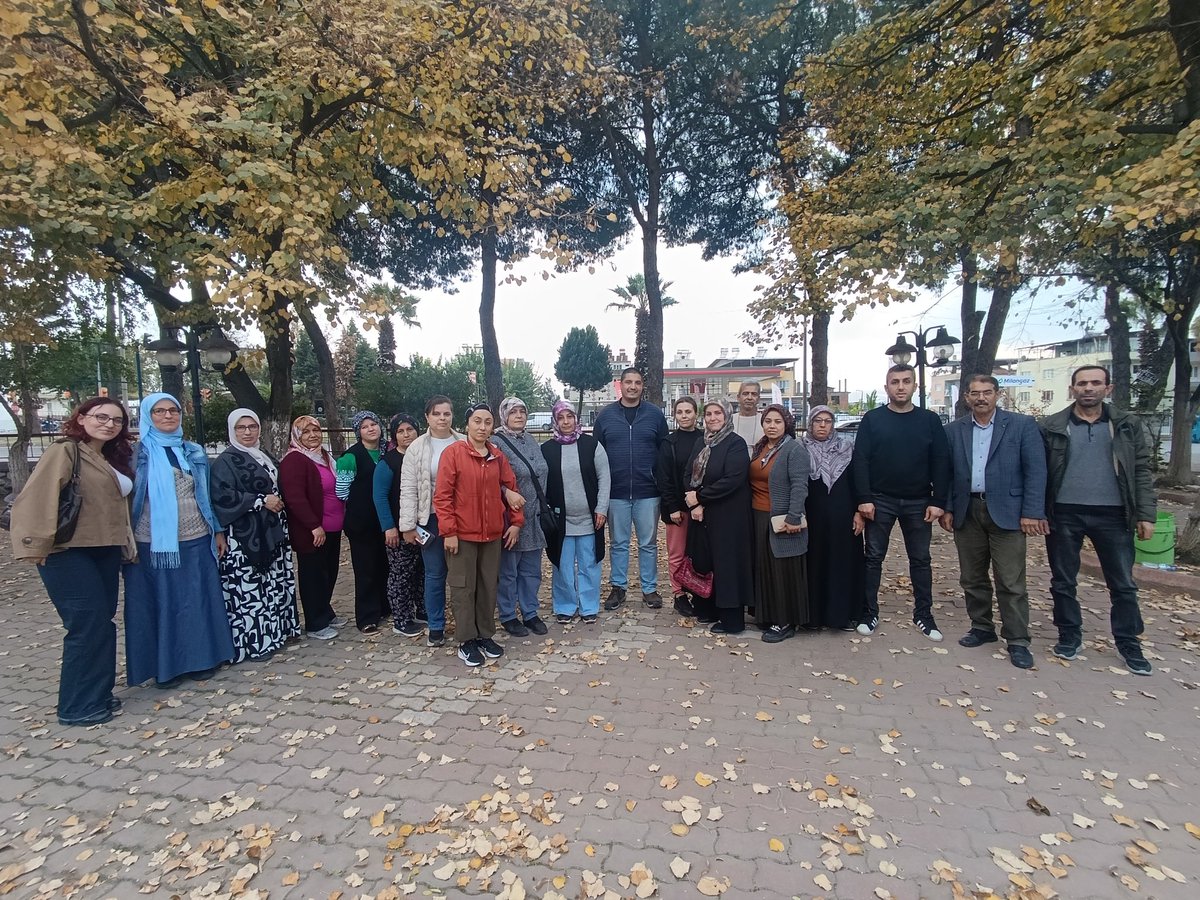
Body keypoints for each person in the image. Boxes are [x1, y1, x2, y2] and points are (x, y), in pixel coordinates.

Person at [10, 397, 136, 726]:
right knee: (86, 625)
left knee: (102, 623)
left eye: (117, 420)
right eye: (101, 417)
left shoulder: (109, 456)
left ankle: (98, 694)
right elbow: (38, 496)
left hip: (105, 548)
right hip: (67, 552)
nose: (109, 424)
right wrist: (34, 545)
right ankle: (77, 706)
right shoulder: (64, 451)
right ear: (81, 418)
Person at [1041, 365, 1156, 675]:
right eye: (1081, 383)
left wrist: (1146, 514)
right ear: (1072, 389)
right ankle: (1069, 635)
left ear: (1109, 388)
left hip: (1114, 514)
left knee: (1122, 584)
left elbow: (1142, 471)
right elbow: (1040, 472)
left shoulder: (1126, 425)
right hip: (1064, 512)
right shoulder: (1053, 426)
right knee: (1063, 580)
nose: (1088, 388)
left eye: (1095, 383)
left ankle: (1129, 643)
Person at [124, 393, 235, 688]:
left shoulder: (192, 451)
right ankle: (166, 668)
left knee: (197, 600)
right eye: (160, 411)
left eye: (173, 410)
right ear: (149, 416)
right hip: (152, 541)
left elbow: (206, 495)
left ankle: (202, 660)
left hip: (196, 536)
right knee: (163, 602)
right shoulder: (136, 454)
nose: (168, 416)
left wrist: (218, 529)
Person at [941, 376, 1047, 670]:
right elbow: (947, 473)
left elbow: (1036, 471)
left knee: (1011, 579)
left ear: (997, 395)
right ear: (966, 397)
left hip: (1009, 512)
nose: (981, 398)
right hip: (968, 509)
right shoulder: (954, 430)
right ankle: (982, 627)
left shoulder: (1021, 426)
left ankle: (1017, 639)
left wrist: (1032, 512)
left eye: (987, 392)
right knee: (972, 576)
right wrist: (948, 507)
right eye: (975, 393)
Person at [851, 365, 951, 640]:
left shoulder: (929, 421)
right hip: (880, 500)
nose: (901, 386)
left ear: (915, 386)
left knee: (920, 559)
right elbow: (861, 460)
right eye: (894, 382)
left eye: (906, 381)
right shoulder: (873, 420)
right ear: (887, 387)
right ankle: (869, 613)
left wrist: (938, 500)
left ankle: (924, 615)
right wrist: (864, 499)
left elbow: (941, 461)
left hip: (919, 501)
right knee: (873, 558)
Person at [432, 403, 524, 667]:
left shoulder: (496, 455)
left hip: (492, 535)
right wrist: (448, 531)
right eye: (477, 421)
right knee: (463, 588)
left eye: (487, 422)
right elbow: (443, 496)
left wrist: (516, 522)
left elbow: (511, 488)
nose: (482, 427)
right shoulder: (454, 454)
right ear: (467, 425)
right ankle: (466, 640)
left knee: (487, 587)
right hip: (462, 536)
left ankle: (485, 634)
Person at [210, 408, 299, 662]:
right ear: (233, 430)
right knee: (251, 591)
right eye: (241, 428)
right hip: (244, 537)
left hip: (271, 530)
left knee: (272, 584)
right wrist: (261, 501)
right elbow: (222, 496)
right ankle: (255, 642)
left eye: (252, 426)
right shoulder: (226, 461)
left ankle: (277, 633)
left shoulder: (262, 455)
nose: (247, 432)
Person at [593, 367, 668, 610]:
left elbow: (664, 452)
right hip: (616, 493)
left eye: (637, 382)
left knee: (648, 543)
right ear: (620, 385)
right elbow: (597, 455)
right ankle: (618, 587)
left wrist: (659, 481)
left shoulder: (655, 415)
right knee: (618, 543)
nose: (633, 386)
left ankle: (650, 589)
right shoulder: (605, 416)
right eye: (628, 382)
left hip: (648, 492)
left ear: (642, 386)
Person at [398, 395, 467, 648]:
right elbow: (408, 488)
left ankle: (465, 624)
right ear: (427, 417)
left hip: (462, 519)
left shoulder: (464, 442)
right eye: (436, 414)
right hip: (431, 519)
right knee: (435, 574)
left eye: (446, 414)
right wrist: (407, 525)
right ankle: (436, 626)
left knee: (462, 576)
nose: (442, 418)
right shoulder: (417, 447)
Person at [684, 398, 753, 634]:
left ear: (727, 416)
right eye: (709, 413)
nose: (713, 418)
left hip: (729, 515)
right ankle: (708, 608)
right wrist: (694, 504)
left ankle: (732, 619)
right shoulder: (701, 443)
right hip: (702, 516)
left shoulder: (735, 443)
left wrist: (700, 498)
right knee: (706, 561)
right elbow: (688, 474)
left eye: (718, 413)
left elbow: (732, 479)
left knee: (727, 565)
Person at [542, 400, 610, 624]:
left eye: (569, 417)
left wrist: (601, 508)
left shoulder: (592, 445)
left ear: (576, 418)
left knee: (589, 565)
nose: (566, 422)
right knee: (562, 565)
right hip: (561, 521)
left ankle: (589, 606)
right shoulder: (548, 449)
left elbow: (604, 478)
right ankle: (565, 606)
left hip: (590, 519)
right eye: (560, 418)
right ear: (555, 421)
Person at [279, 415, 346, 640]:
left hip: (333, 527)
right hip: (313, 531)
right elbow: (295, 498)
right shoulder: (294, 460)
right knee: (313, 576)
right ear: (297, 435)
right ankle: (315, 623)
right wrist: (313, 526)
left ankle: (325, 611)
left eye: (315, 430)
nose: (312, 435)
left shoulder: (323, 456)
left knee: (329, 572)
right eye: (306, 432)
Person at [749, 405, 811, 642]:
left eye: (777, 421)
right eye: (767, 421)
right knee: (764, 568)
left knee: (783, 570)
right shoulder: (761, 447)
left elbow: (799, 485)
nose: (772, 425)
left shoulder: (794, 450)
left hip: (782, 519)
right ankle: (766, 615)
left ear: (786, 424)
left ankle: (785, 621)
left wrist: (793, 517)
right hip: (758, 516)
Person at [802, 406, 865, 631]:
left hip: (843, 518)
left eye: (827, 421)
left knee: (842, 565)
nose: (822, 425)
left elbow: (858, 482)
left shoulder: (847, 448)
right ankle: (813, 617)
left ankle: (842, 616)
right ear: (810, 423)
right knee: (814, 565)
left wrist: (859, 512)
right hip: (812, 518)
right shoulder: (801, 448)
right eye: (817, 420)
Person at [492, 397, 550, 637]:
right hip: (510, 518)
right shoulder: (496, 442)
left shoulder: (530, 440)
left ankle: (530, 612)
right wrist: (507, 492)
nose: (518, 415)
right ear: (504, 415)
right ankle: (507, 614)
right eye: (513, 412)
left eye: (522, 411)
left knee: (531, 570)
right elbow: (490, 478)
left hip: (534, 516)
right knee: (508, 571)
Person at [373, 413, 425, 638]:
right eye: (401, 431)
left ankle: (423, 610)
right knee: (400, 574)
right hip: (399, 529)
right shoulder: (388, 462)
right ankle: (401, 618)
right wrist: (389, 527)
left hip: (424, 527)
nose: (406, 435)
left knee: (423, 571)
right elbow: (380, 496)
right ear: (394, 435)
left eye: (410, 430)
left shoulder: (424, 456)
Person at [335, 411, 388, 633]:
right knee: (366, 569)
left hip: (385, 522)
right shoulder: (351, 457)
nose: (371, 429)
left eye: (373, 424)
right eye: (365, 426)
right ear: (359, 432)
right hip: (361, 523)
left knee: (384, 566)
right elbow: (341, 491)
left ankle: (385, 607)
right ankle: (367, 616)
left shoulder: (387, 451)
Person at [657, 396, 704, 616]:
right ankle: (679, 594)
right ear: (675, 416)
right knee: (677, 553)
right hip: (676, 508)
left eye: (688, 412)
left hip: (702, 506)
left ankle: (698, 589)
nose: (684, 416)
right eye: (680, 412)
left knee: (699, 551)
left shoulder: (706, 438)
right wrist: (673, 507)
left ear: (696, 413)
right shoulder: (669, 442)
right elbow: (664, 477)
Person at [732, 381, 764, 453]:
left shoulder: (765, 421)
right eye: (745, 394)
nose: (749, 397)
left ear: (758, 399)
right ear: (738, 397)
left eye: (754, 394)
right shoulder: (728, 421)